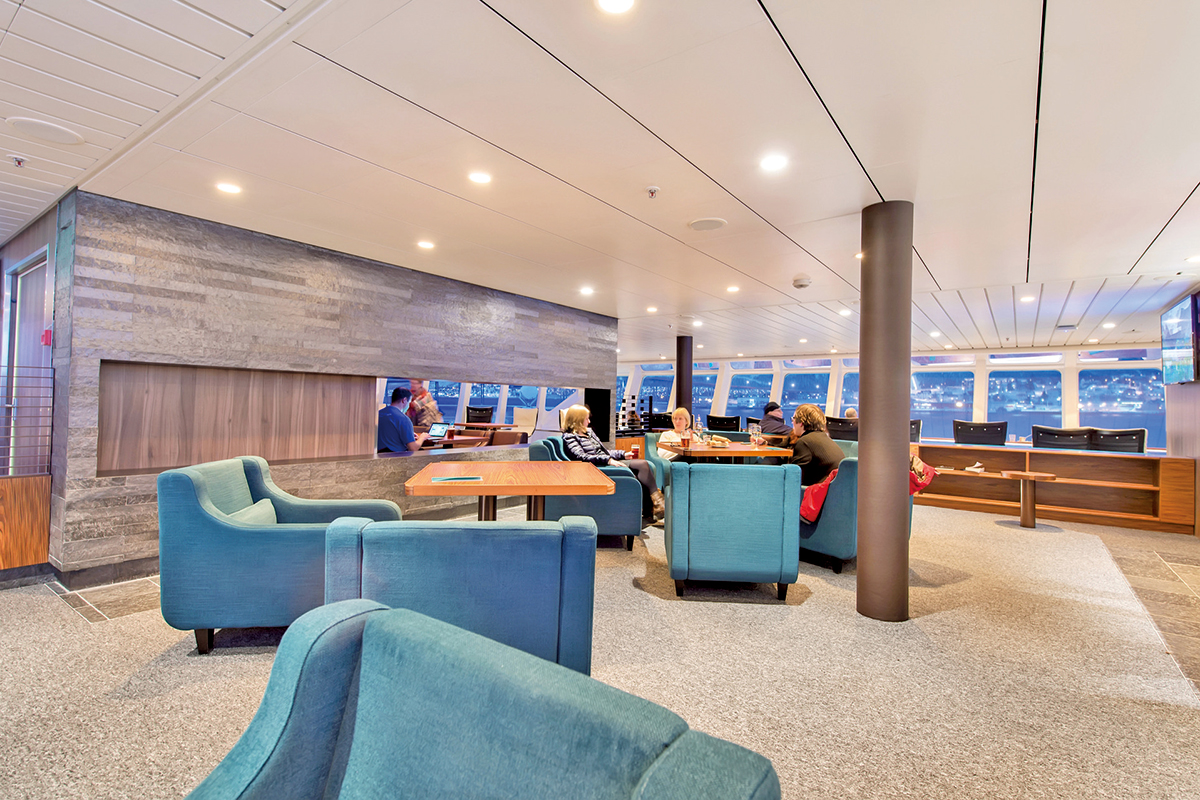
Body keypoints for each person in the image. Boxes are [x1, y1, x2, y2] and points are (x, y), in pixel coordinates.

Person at [561, 404, 664, 522]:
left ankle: (655, 505)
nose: (589, 422)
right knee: (637, 473)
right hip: (598, 467)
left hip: (605, 462)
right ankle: (655, 506)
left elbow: (604, 451)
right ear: (578, 420)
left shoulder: (588, 433)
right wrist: (608, 460)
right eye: (586, 419)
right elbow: (582, 457)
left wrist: (623, 454)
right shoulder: (569, 437)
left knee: (643, 464)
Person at [789, 403, 844, 486]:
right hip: (835, 488)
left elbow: (795, 478)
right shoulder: (825, 438)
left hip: (821, 490)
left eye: (793, 419)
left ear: (801, 422)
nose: (792, 422)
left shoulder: (804, 442)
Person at [378, 388, 430, 452]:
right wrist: (422, 438)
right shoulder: (403, 419)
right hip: (396, 456)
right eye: (409, 402)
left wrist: (408, 434)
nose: (408, 406)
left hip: (378, 455)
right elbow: (413, 448)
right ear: (404, 400)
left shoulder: (378, 414)